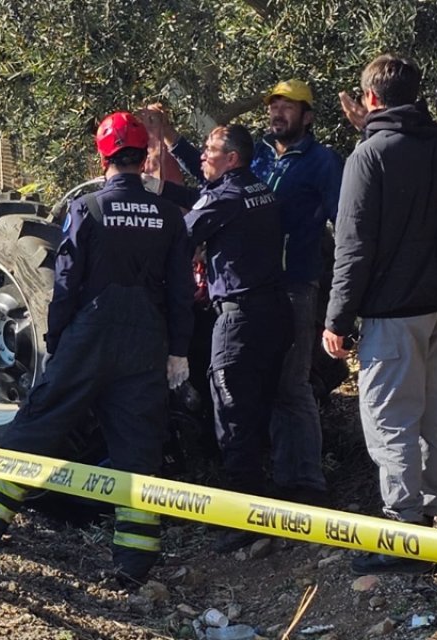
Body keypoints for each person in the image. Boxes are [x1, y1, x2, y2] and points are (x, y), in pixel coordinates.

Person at [0, 112, 194, 586]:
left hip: (92, 330)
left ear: (103, 159)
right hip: (148, 338)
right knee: (138, 449)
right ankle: (133, 567)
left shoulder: (89, 209)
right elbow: (181, 290)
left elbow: (66, 283)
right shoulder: (168, 215)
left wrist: (60, 339)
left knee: (40, 422)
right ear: (144, 159)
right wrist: (177, 350)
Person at [323, 54, 437, 575]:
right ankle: (428, 516)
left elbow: (353, 246)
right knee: (428, 418)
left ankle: (403, 534)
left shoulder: (369, 156)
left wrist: (337, 318)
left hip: (393, 315)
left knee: (390, 421)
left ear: (371, 99)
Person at [159, 124, 293, 554]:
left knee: (232, 416)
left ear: (231, 158)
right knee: (257, 411)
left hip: (239, 318)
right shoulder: (260, 189)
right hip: (274, 312)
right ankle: (269, 501)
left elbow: (180, 238)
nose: (202, 157)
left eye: (210, 151)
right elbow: (208, 202)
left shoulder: (225, 197)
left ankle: (244, 520)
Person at [250, 80, 342, 506]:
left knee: (294, 382)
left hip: (296, 286)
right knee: (262, 380)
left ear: (307, 116)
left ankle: (306, 482)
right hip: (253, 287)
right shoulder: (257, 154)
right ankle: (278, 475)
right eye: (274, 107)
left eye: (288, 108)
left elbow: (345, 222)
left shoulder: (323, 162)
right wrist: (173, 142)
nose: (277, 114)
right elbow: (214, 180)